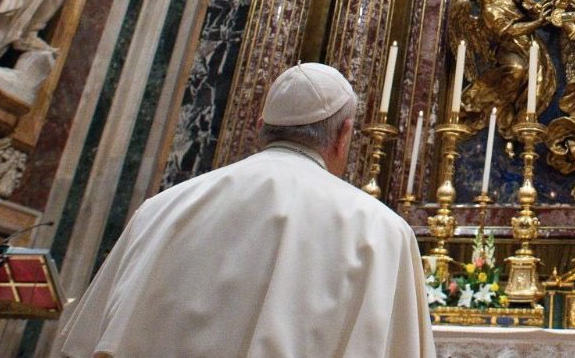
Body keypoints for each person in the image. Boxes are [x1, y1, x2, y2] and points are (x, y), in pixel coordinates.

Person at [54, 63, 435, 357]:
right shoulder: (380, 230)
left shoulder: (162, 208)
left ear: (260, 127)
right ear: (343, 134)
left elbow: (87, 343)